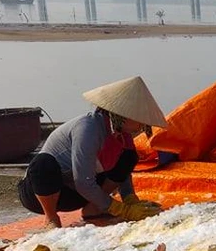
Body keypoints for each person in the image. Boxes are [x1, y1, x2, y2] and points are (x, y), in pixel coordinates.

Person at [17, 76, 168, 228]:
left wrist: (130, 198)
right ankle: (51, 218)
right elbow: (83, 181)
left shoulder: (122, 136)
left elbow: (123, 171)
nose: (142, 125)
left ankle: (93, 208)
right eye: (139, 119)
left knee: (128, 157)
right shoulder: (88, 128)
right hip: (42, 191)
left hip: (78, 194)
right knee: (43, 164)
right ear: (122, 116)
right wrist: (121, 209)